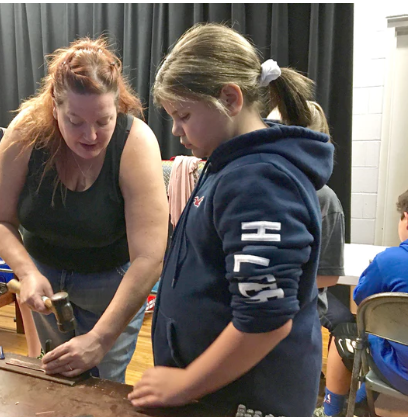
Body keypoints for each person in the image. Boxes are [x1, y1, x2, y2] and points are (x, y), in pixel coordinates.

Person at [128, 23, 334, 416]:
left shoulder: (260, 181)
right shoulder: (228, 163)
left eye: (184, 115)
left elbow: (266, 320)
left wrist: (186, 382)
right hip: (218, 392)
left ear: (230, 98)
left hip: (250, 399)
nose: (176, 131)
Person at [0, 37, 169, 383]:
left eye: (103, 121)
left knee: (102, 385)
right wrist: (26, 273)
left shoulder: (135, 143)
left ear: (118, 106)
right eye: (74, 121)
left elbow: (149, 258)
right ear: (54, 108)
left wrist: (100, 340)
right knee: (49, 379)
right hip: (44, 277)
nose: (90, 135)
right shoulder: (26, 135)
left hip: (113, 285)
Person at [314, 189, 408, 417]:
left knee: (345, 334)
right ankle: (359, 400)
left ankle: (331, 410)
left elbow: (362, 299)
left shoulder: (389, 261)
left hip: (401, 372)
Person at [268, 103, 355, 340]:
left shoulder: (325, 200)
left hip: (297, 315)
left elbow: (328, 275)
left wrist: (273, 289)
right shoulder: (255, 185)